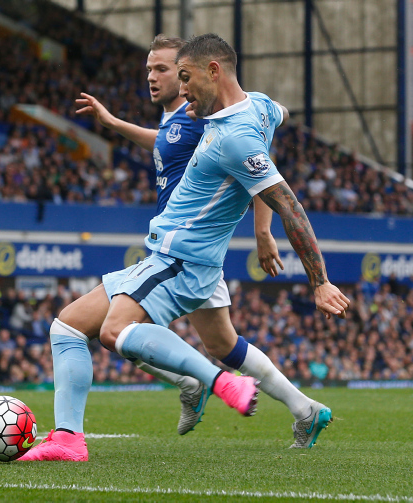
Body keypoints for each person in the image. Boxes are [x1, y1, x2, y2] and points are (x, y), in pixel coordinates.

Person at [21, 34, 350, 462]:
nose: (181, 89)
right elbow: (278, 114)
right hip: (188, 258)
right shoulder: (259, 107)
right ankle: (302, 408)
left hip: (180, 258)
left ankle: (210, 382)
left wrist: (319, 281)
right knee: (71, 327)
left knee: (114, 332)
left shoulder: (234, 138)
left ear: (213, 71)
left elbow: (289, 204)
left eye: (183, 77)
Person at [71, 34, 287, 437]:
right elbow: (165, 142)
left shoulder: (203, 115)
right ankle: (304, 409)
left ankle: (201, 382)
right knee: (221, 344)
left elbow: (259, 160)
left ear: (194, 71)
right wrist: (113, 123)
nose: (152, 77)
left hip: (186, 250)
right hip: (177, 248)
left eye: (165, 70)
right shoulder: (176, 119)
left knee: (118, 329)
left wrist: (263, 230)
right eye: (148, 69)